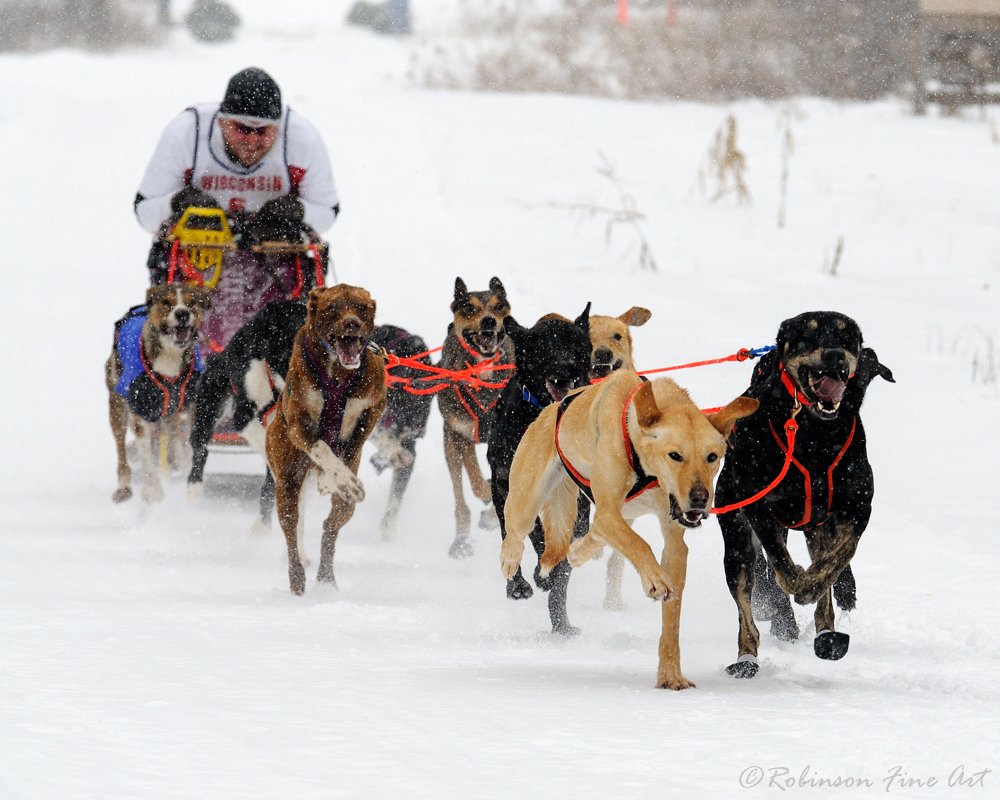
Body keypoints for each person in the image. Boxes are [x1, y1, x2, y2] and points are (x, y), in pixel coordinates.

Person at [134, 66, 340, 349]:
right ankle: (196, 363)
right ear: (221, 122)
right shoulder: (187, 134)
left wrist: (296, 210)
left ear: (279, 128)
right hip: (199, 259)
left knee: (273, 329)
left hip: (272, 261)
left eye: (263, 131)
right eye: (242, 129)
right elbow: (145, 213)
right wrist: (178, 201)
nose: (253, 141)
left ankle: (276, 359)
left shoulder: (302, 139)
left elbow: (327, 213)